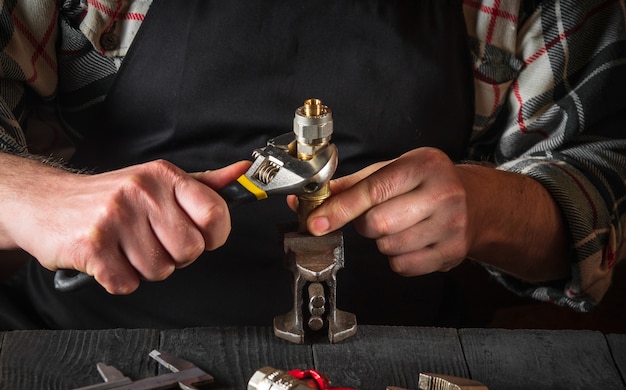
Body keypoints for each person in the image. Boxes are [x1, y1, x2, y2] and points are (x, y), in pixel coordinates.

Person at [0, 0, 623, 329]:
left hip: (395, 360)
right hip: (85, 342)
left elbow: (601, 180)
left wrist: (489, 208)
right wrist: (28, 193)